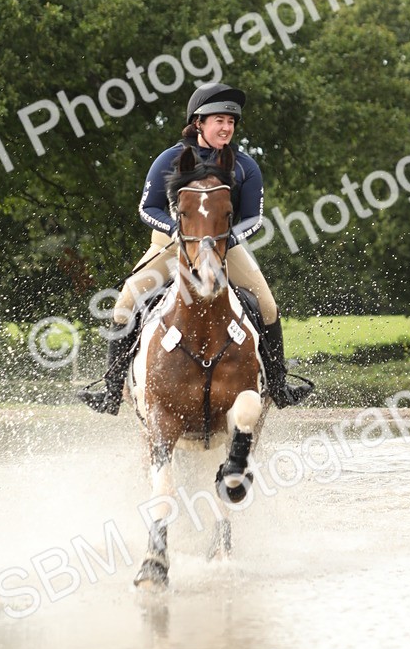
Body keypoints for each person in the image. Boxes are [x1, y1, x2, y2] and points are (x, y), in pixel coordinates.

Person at [77, 82, 314, 414]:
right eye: (219, 120)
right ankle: (112, 391)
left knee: (268, 305)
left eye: (231, 122)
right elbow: (148, 208)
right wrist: (176, 230)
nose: (227, 127)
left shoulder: (245, 165)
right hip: (172, 246)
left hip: (224, 248)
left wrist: (222, 241)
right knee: (125, 303)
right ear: (199, 122)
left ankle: (278, 385)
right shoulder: (170, 159)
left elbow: (252, 219)